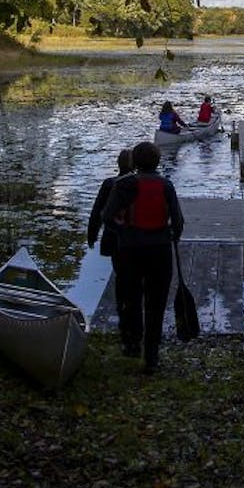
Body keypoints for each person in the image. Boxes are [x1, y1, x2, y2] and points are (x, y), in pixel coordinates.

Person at [101, 141, 185, 373]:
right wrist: (172, 236)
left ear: (135, 162)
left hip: (130, 250)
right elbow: (178, 221)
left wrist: (122, 231)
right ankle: (152, 356)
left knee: (132, 298)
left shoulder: (124, 185)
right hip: (159, 250)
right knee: (156, 303)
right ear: (157, 161)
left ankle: (132, 344)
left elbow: (106, 217)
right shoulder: (166, 185)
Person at [87, 148, 134, 351]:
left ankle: (124, 318)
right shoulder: (137, 184)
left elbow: (97, 211)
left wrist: (92, 234)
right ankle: (132, 316)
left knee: (121, 277)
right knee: (134, 277)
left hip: (114, 239)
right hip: (135, 239)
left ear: (118, 164)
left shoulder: (109, 184)